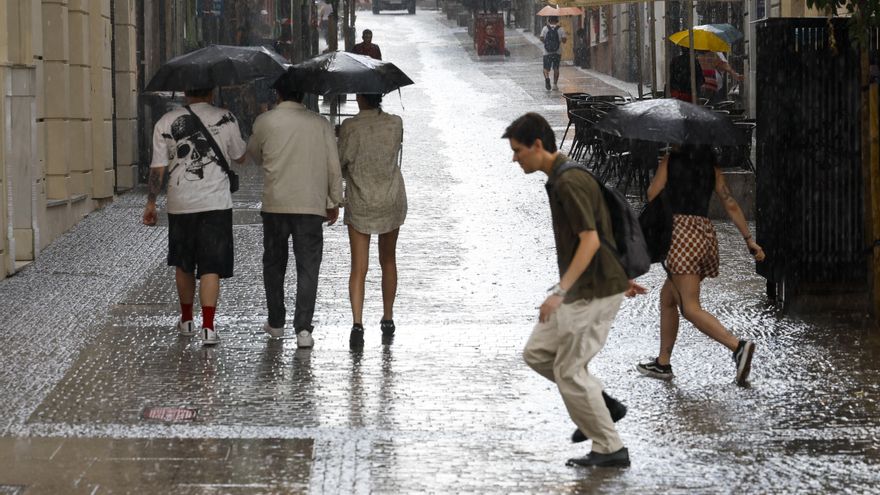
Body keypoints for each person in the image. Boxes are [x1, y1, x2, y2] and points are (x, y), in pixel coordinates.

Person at [503, 113, 646, 468]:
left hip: (591, 290)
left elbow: (591, 239)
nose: (514, 158)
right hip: (591, 284)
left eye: (518, 150)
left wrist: (559, 291)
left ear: (538, 145)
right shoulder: (562, 176)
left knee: (569, 371)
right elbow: (602, 230)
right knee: (537, 353)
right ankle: (601, 404)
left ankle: (610, 448)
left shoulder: (568, 181)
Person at [636, 144, 765, 386]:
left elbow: (652, 193)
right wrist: (749, 240)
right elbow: (730, 204)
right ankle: (663, 362)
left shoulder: (671, 158)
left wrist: (665, 170)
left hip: (680, 236)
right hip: (703, 235)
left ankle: (738, 347)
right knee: (668, 299)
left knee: (691, 308)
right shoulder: (710, 164)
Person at [246, 71, 344, 349]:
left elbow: (253, 153)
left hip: (276, 204)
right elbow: (332, 165)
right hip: (310, 205)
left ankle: (276, 322)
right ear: (303, 96)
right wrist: (333, 201)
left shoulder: (265, 122)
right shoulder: (320, 123)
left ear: (278, 94)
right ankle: (303, 329)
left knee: (274, 264)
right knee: (308, 267)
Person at [143, 87, 247, 346]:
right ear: (212, 91)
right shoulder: (228, 117)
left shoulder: (164, 122)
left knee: (184, 262)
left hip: (181, 204)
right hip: (216, 204)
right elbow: (241, 156)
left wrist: (151, 203)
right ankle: (209, 327)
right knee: (211, 265)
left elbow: (157, 168)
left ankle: (187, 319)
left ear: (185, 92)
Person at [337, 93, 407, 347]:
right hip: (390, 198)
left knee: (359, 266)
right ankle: (388, 318)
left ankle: (357, 324)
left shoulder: (350, 127)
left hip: (360, 200)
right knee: (388, 259)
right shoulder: (395, 123)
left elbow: (341, 162)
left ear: (358, 97)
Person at [539, 16, 567, 91]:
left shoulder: (545, 28)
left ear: (549, 20)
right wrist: (559, 40)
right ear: (557, 20)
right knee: (556, 68)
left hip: (546, 52)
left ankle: (547, 78)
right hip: (557, 52)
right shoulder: (560, 29)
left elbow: (541, 38)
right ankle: (555, 85)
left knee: (545, 68)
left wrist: (546, 42)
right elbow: (564, 40)